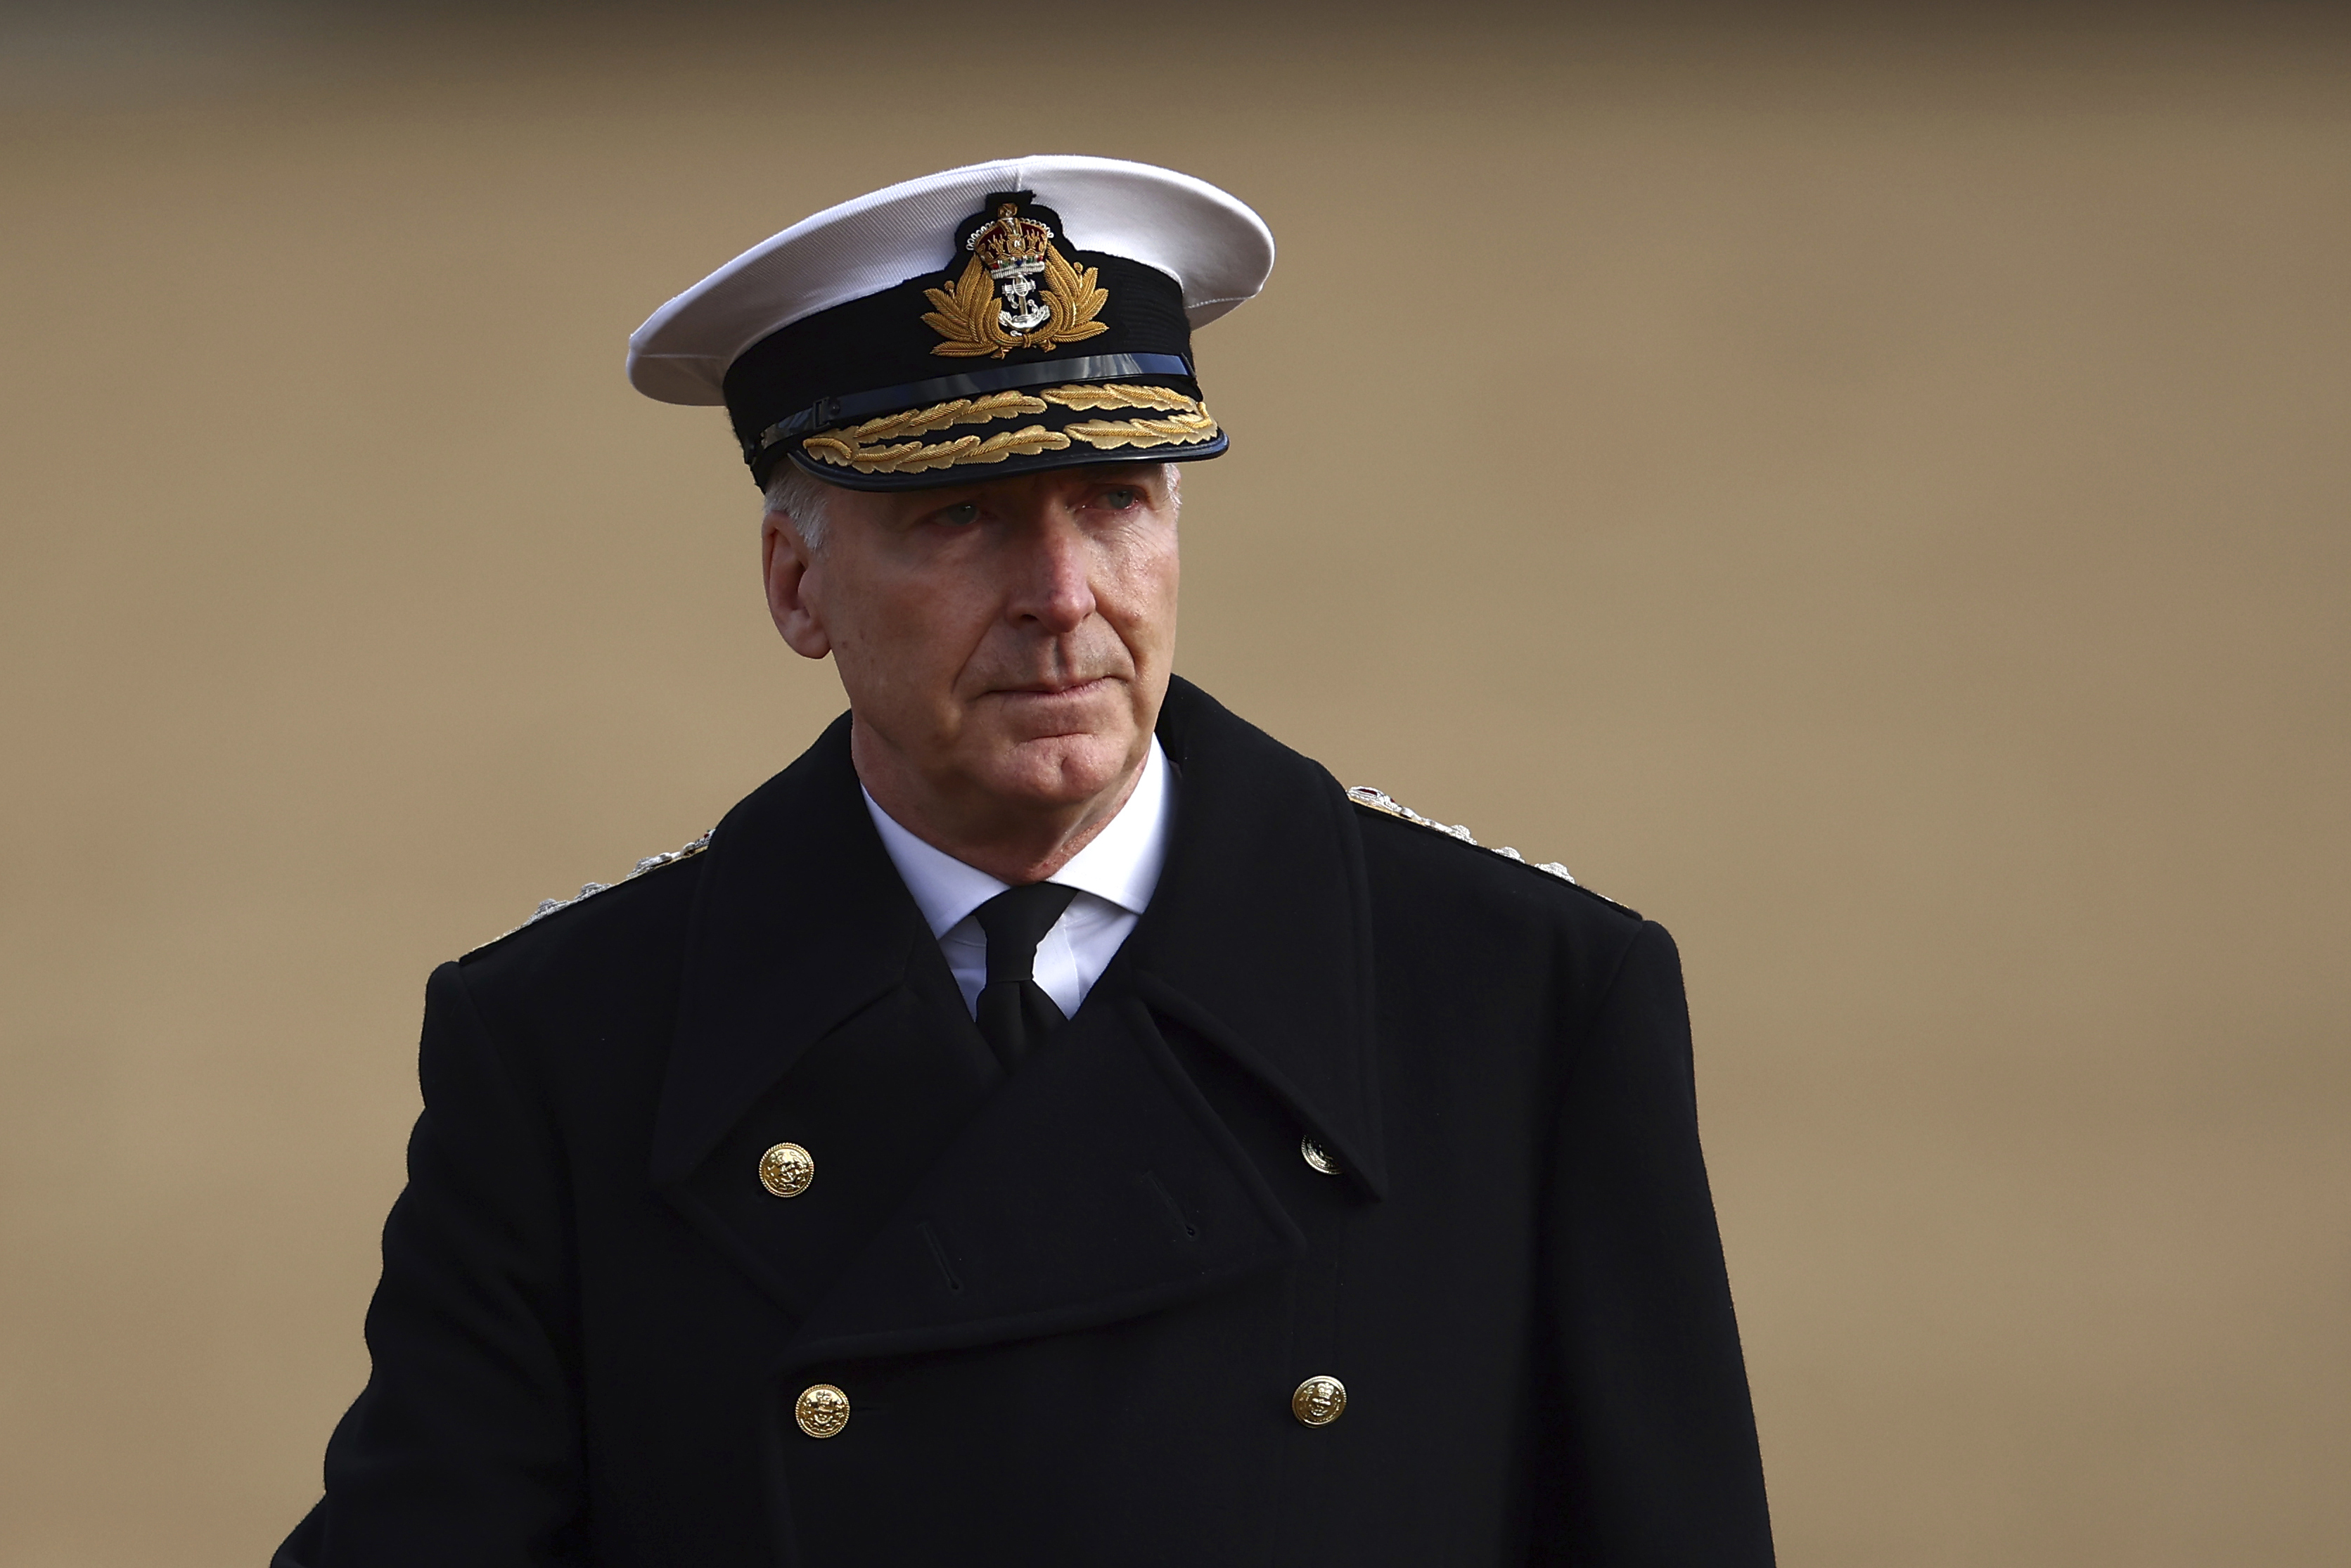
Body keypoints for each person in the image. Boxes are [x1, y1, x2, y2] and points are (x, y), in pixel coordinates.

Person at [275, 155, 1775, 1567]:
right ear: (799, 584)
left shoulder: (1517, 999)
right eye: (961, 516)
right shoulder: (568, 1045)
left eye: (1115, 502)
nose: (1063, 597)